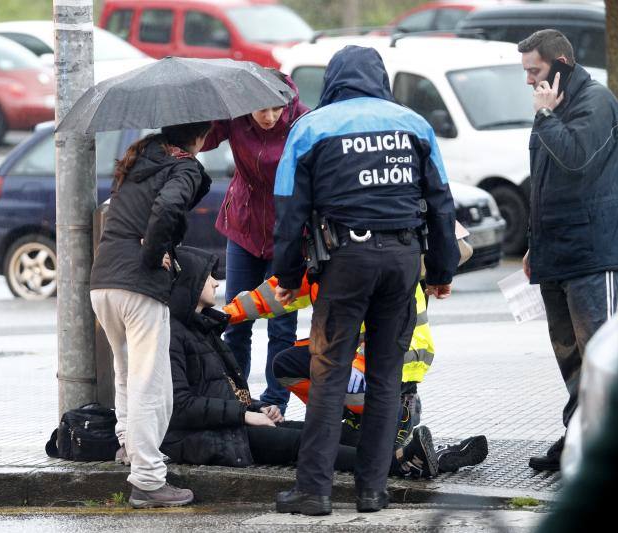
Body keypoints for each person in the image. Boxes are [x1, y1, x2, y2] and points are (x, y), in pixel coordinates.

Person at [271, 45, 460, 515]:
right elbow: (441, 203)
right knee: (385, 379)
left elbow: (289, 213)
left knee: (329, 373)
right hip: (402, 261)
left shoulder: (310, 128)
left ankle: (313, 492)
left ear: (333, 79)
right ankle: (372, 492)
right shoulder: (414, 125)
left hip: (344, 262)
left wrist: (287, 277)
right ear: (381, 78)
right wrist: (440, 271)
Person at [160, 246, 439, 478]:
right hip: (216, 434)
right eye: (209, 276)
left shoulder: (200, 332)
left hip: (389, 369)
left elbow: (219, 395)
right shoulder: (177, 335)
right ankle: (399, 463)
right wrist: (247, 413)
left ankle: (403, 437)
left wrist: (256, 408)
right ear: (191, 283)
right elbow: (182, 407)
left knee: (320, 431)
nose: (217, 283)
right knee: (308, 440)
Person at [224, 272, 488, 475]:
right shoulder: (323, 259)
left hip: (388, 381)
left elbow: (401, 340)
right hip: (357, 372)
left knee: (323, 443)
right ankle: (402, 448)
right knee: (289, 370)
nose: (216, 284)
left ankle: (403, 437)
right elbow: (277, 291)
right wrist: (226, 313)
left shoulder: (381, 264)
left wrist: (359, 366)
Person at [90, 121, 212, 509]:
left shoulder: (141, 157)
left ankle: (128, 447)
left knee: (126, 371)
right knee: (151, 384)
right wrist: (152, 255)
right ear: (200, 136)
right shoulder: (184, 166)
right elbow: (169, 206)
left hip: (103, 282)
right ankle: (147, 480)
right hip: (138, 285)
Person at [518, 29, 618, 472]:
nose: (528, 81)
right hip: (555, 252)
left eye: (534, 70)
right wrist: (532, 243)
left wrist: (545, 118)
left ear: (561, 63)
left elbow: (577, 160)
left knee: (601, 353)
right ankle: (578, 437)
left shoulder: (594, 102)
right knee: (570, 355)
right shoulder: (553, 109)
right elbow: (544, 182)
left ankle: (604, 447)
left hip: (592, 253)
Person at [200, 74, 310, 414]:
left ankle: (276, 401)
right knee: (236, 316)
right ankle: (237, 396)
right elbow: (201, 140)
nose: (270, 117)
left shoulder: (304, 121)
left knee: (281, 323)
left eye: (277, 108)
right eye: (262, 109)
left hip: (288, 234)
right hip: (245, 226)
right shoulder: (235, 116)